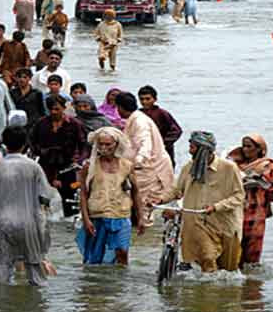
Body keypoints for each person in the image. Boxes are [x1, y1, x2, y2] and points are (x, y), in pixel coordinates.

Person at [152, 132, 244, 272]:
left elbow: (239, 196)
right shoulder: (189, 167)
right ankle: (206, 291)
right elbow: (177, 190)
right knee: (207, 258)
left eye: (193, 147)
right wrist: (160, 199)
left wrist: (216, 207)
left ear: (204, 149)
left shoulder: (229, 169)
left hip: (223, 223)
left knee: (228, 268)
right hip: (198, 223)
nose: (190, 151)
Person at [0, 127, 55, 285]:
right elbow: (45, 197)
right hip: (28, 224)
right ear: (25, 144)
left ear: (5, 144)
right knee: (36, 274)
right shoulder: (34, 167)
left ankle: (1, 309)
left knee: (0, 276)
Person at [76, 127, 145, 264]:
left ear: (116, 145)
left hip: (121, 214)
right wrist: (86, 219)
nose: (104, 147)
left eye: (108, 144)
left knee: (122, 251)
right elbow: (83, 194)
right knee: (95, 256)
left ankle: (122, 281)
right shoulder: (89, 166)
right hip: (97, 215)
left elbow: (136, 192)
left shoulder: (127, 165)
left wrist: (141, 217)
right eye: (100, 144)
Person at [115, 92, 174, 224]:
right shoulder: (135, 119)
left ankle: (144, 238)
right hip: (141, 169)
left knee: (145, 206)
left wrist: (139, 161)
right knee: (136, 205)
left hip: (149, 169)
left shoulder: (140, 122)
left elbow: (145, 143)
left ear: (120, 108)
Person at [227, 133, 273, 267]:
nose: (246, 149)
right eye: (244, 146)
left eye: (249, 146)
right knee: (232, 249)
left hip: (257, 213)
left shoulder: (267, 165)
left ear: (259, 149)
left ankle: (251, 284)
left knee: (253, 252)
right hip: (236, 211)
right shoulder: (234, 165)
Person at [30, 94, 88, 217]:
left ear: (64, 108)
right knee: (42, 197)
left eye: (57, 109)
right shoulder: (41, 124)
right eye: (51, 109)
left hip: (68, 165)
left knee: (69, 198)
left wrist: (79, 161)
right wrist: (39, 151)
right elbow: (32, 142)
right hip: (46, 165)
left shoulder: (74, 124)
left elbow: (84, 144)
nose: (53, 112)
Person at [138, 85, 183, 168]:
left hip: (163, 152)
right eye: (142, 99)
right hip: (144, 152)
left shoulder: (162, 113)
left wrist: (163, 143)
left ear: (155, 99)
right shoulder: (138, 115)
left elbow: (177, 131)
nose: (144, 102)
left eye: (148, 99)